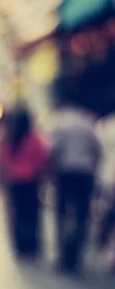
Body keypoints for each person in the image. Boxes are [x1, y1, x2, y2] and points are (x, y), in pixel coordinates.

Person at [51, 96, 102, 274]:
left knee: (62, 215)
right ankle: (76, 256)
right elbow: (96, 151)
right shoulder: (88, 122)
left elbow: (54, 150)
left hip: (65, 172)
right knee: (81, 216)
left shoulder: (60, 122)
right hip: (85, 174)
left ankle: (63, 256)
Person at [0, 107, 49, 264]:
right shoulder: (34, 139)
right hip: (31, 183)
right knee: (32, 216)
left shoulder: (9, 139)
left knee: (17, 215)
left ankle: (20, 247)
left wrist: (2, 181)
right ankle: (32, 247)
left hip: (15, 183)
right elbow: (42, 160)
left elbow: (2, 162)